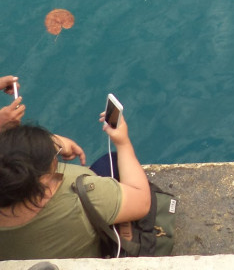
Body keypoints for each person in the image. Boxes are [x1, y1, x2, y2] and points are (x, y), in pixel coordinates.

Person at [0, 110, 152, 259]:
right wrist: (123, 142)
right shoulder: (82, 200)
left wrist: (54, 142)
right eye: (53, 155)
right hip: (84, 234)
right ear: (44, 180)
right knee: (114, 161)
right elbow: (142, 201)